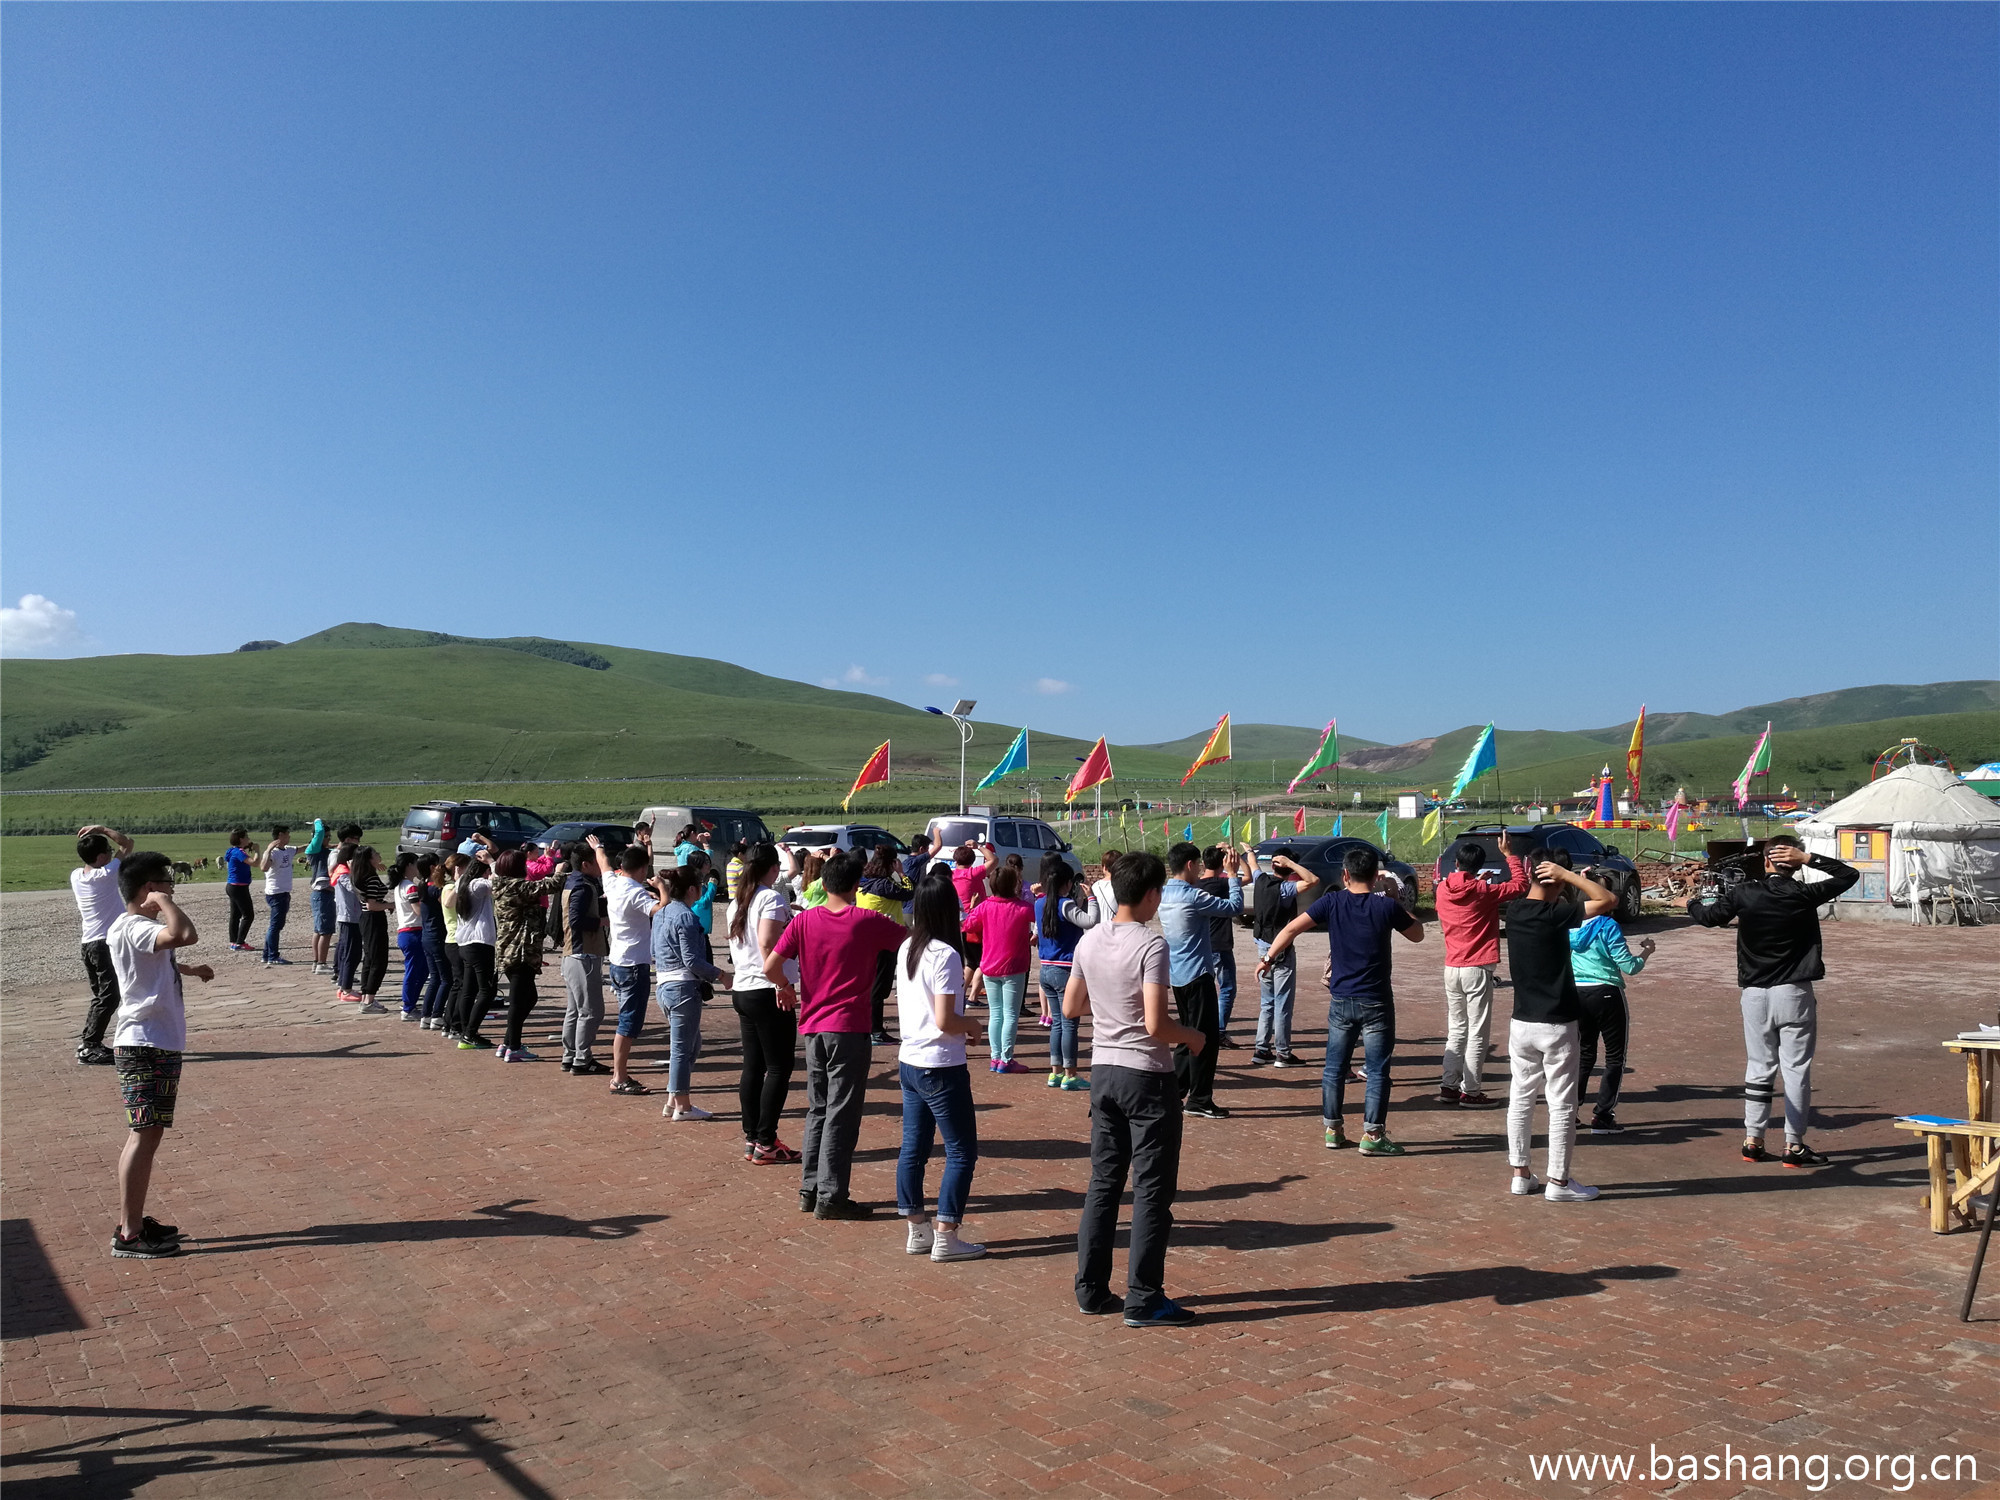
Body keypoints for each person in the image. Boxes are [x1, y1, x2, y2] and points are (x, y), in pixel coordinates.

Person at [1064, 850, 1207, 1328]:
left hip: (1103, 1071)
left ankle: (1090, 1288)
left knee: (1103, 1185)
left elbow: (1069, 1008)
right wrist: (1193, 1036)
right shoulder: (1151, 945)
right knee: (1151, 1191)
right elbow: (1155, 1024)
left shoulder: (1088, 941)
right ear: (1150, 895)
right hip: (1145, 1075)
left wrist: (1108, 1010)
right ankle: (1143, 1297)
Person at [1686, 834, 1858, 1167]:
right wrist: (1808, 859)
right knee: (1795, 1070)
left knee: (1759, 1067)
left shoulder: (1745, 892)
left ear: (1765, 862)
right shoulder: (1804, 894)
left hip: (1754, 993)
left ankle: (1753, 1139)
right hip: (1793, 991)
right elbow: (1849, 875)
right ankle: (1794, 1146)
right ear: (1793, 861)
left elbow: (1710, 917)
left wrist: (1691, 903)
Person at [766, 850, 908, 1220]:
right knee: (841, 1114)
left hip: (813, 1027)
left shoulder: (804, 921)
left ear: (823, 883)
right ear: (856, 885)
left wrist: (785, 986)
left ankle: (809, 1189)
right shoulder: (865, 920)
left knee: (819, 1110)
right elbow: (910, 942)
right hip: (848, 1027)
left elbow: (770, 966)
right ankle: (831, 1194)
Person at [1259, 845, 1423, 1154]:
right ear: (1376, 876)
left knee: (1334, 1068)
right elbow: (1418, 934)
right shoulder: (1385, 907)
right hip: (1376, 999)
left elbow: (1292, 928)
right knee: (1376, 1070)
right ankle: (1373, 1136)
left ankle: (1333, 1129)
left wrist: (1268, 956)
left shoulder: (1332, 902)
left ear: (1345, 874)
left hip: (1341, 999)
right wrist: (1395, 900)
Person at [104, 851, 215, 1258]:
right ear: (149, 889)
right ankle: (130, 1233)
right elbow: (185, 933)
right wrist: (164, 902)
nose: (173, 889)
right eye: (167, 883)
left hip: (158, 1041)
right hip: (142, 1043)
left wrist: (190, 970)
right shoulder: (134, 925)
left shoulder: (137, 929)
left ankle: (132, 1221)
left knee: (149, 1132)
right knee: (144, 1132)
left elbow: (155, 960)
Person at [1500, 848, 1618, 1202]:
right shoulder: (1559, 913)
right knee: (1561, 1104)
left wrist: (1536, 869)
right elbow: (1608, 898)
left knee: (1520, 1098)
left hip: (1522, 1021)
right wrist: (1568, 876)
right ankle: (1559, 1182)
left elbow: (1522, 887)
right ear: (1556, 880)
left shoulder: (1516, 911)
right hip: (1557, 1022)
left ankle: (1520, 1174)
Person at [896, 875, 987, 1263]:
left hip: (911, 1059)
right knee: (961, 1150)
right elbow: (946, 1019)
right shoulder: (945, 955)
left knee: (913, 1147)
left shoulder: (908, 948)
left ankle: (918, 1227)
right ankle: (946, 1232)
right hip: (939, 1063)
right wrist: (973, 1026)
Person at [1433, 835, 1531, 1106]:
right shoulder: (1484, 892)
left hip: (1452, 965)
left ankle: (1449, 1085)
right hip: (1477, 966)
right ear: (1478, 867)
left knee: (1457, 1029)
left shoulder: (1443, 889)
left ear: (1456, 863)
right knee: (1477, 1031)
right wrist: (1510, 855)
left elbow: (1461, 887)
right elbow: (1521, 885)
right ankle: (1471, 1090)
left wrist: (1478, 881)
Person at [1154, 842, 1244, 1119]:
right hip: (1198, 974)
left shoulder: (1162, 893)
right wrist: (1232, 874)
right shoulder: (1192, 896)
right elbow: (1235, 907)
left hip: (1177, 974)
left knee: (1186, 1036)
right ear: (1191, 865)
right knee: (1205, 1039)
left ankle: (1175, 1091)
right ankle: (1200, 1098)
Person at [728, 844, 802, 1161]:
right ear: (773, 869)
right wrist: (783, 983)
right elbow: (768, 943)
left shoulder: (739, 901)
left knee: (754, 1066)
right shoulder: (769, 897)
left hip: (744, 988)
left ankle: (753, 1136)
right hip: (766, 988)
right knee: (778, 1067)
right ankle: (766, 1141)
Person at [479, 836, 571, 1062]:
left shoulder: (499, 883)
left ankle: (509, 1041)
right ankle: (514, 1047)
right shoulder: (516, 886)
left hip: (510, 949)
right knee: (520, 999)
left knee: (528, 997)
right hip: (520, 950)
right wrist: (559, 870)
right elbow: (550, 885)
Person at [1568, 910, 1655, 1134]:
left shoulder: (1570, 922)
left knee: (1584, 1054)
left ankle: (1571, 1114)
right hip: (1606, 992)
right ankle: (1603, 1115)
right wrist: (1647, 951)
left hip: (1577, 992)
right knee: (1615, 1057)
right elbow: (1630, 967)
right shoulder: (1608, 925)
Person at [653, 865, 725, 1119]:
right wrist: (720, 974)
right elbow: (692, 960)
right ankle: (682, 1106)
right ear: (692, 889)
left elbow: (655, 952)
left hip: (664, 985)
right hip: (682, 987)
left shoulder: (661, 914)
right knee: (683, 1049)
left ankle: (674, 1099)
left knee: (692, 1045)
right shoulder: (686, 916)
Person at [596, 838, 663, 1096]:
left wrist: (598, 848)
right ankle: (619, 1076)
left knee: (627, 1020)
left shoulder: (613, 882)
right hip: (634, 964)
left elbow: (603, 864)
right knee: (628, 1024)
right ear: (643, 869)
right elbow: (659, 909)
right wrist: (661, 889)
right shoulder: (635, 891)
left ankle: (619, 1074)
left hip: (617, 961)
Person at [963, 863, 1037, 1074]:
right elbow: (1040, 915)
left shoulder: (985, 907)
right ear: (1014, 884)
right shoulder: (1023, 908)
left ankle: (996, 1058)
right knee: (1010, 1014)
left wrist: (972, 908)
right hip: (1014, 967)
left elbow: (968, 925)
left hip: (989, 966)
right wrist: (1040, 896)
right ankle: (1006, 1058)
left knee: (996, 1014)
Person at [1034, 854, 1099, 1091]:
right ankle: (1071, 1074)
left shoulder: (1038, 903)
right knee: (1070, 1023)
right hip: (1066, 970)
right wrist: (1091, 897)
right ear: (1067, 883)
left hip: (1046, 968)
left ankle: (1056, 1072)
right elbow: (1090, 921)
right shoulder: (1065, 904)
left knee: (1057, 1024)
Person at [1248, 851, 1319, 1067]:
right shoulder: (1286, 889)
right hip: (1281, 950)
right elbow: (1312, 880)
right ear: (1288, 867)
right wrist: (1291, 863)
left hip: (1262, 948)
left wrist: (1250, 852)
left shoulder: (1260, 880)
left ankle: (1261, 1049)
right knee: (1282, 1004)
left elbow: (1253, 865)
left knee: (1267, 1003)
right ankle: (1283, 1053)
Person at [71, 823, 134, 1066]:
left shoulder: (77, 875)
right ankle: (90, 1045)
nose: (111, 852)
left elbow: (120, 847)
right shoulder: (106, 874)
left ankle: (88, 1043)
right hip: (104, 944)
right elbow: (127, 844)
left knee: (101, 996)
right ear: (101, 857)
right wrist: (102, 829)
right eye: (107, 850)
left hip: (88, 943)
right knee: (109, 996)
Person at [558, 841, 611, 1076]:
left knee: (575, 1010)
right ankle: (582, 1057)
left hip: (573, 954)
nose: (601, 866)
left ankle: (570, 1055)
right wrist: (602, 921)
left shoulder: (573, 882)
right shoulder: (582, 886)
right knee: (591, 1011)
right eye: (597, 862)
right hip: (583, 954)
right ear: (586, 864)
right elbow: (577, 920)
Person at [856, 846, 914, 1047]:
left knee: (871, 986)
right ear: (890, 863)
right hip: (884, 941)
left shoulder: (866, 880)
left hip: (866, 940)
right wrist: (901, 873)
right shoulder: (884, 885)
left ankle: (870, 1027)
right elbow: (908, 893)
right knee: (879, 989)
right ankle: (876, 1031)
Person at [452, 848, 500, 1049]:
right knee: (487, 991)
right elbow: (500, 884)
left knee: (468, 990)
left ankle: (465, 1032)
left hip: (464, 943)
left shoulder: (461, 883)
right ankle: (470, 1033)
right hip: (479, 943)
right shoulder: (477, 884)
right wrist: (492, 862)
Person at [1194, 847, 1242, 1047]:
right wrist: (1234, 858)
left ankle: (1203, 1029)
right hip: (1221, 944)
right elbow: (1246, 877)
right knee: (1227, 988)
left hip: (1203, 945)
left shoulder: (1194, 886)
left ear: (1203, 863)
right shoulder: (1223, 884)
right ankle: (1219, 1030)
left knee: (1204, 989)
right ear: (1223, 863)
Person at [348, 846, 393, 1015]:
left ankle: (367, 996)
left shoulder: (363, 876)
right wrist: (390, 905)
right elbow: (372, 905)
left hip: (367, 919)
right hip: (373, 919)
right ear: (368, 859)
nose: (379, 854)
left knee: (370, 958)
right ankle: (369, 1000)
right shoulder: (371, 879)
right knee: (378, 960)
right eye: (375, 854)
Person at [256, 825, 305, 966]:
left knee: (276, 925)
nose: (290, 836)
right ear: (280, 835)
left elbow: (302, 848)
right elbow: (263, 867)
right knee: (275, 926)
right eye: (287, 834)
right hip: (276, 893)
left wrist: (318, 840)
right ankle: (273, 956)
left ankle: (266, 955)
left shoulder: (288, 850)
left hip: (284, 892)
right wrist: (268, 849)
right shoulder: (273, 853)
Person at [389, 852, 430, 1020]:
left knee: (419, 970)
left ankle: (410, 1003)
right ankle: (408, 1007)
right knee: (414, 971)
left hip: (407, 932)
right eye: (415, 864)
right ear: (409, 865)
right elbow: (418, 910)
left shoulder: (401, 885)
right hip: (413, 932)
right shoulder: (410, 887)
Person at [421, 854, 458, 1032]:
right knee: (446, 979)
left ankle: (426, 1015)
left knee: (435, 978)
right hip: (437, 937)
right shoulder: (437, 889)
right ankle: (436, 1015)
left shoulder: (423, 885)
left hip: (427, 936)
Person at [330, 839, 363, 998]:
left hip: (351, 916)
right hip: (348, 917)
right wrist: (355, 871)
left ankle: (343, 985)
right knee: (352, 953)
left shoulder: (343, 870)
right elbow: (356, 889)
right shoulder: (343, 872)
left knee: (351, 952)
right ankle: (346, 989)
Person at [305, 819, 338, 975]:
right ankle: (322, 963)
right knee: (326, 930)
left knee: (319, 930)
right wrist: (318, 821)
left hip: (322, 894)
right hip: (322, 893)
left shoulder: (325, 850)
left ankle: (317, 962)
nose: (328, 839)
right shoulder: (314, 849)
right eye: (327, 836)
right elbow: (318, 833)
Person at [222, 828, 256, 951]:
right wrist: (257, 851)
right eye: (246, 837)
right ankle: (240, 942)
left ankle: (233, 942)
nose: (249, 839)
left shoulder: (232, 851)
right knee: (248, 915)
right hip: (239, 887)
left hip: (232, 886)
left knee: (235, 915)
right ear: (241, 839)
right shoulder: (239, 852)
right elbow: (254, 863)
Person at [1090, 850, 1120, 930]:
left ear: (1104, 867)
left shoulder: (1095, 886)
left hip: (1099, 930)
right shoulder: (1123, 886)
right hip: (1117, 929)